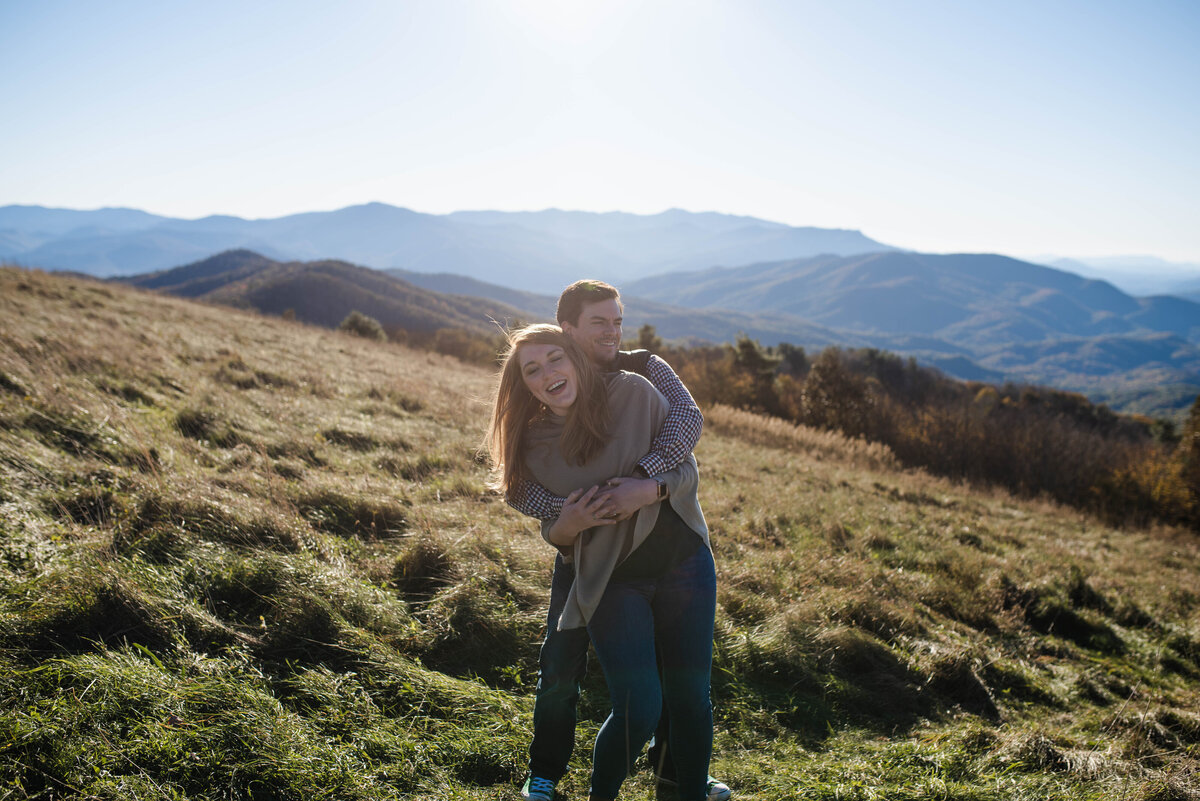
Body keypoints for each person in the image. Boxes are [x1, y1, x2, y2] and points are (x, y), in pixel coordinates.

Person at [507, 281, 730, 801]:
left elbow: (687, 422)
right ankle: (545, 774)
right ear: (568, 330)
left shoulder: (642, 371)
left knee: (680, 683)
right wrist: (566, 522)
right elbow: (529, 493)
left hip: (669, 548)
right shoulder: (546, 400)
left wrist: (645, 483)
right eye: (598, 323)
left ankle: (676, 771)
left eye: (617, 321)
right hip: (592, 557)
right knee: (560, 668)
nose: (611, 332)